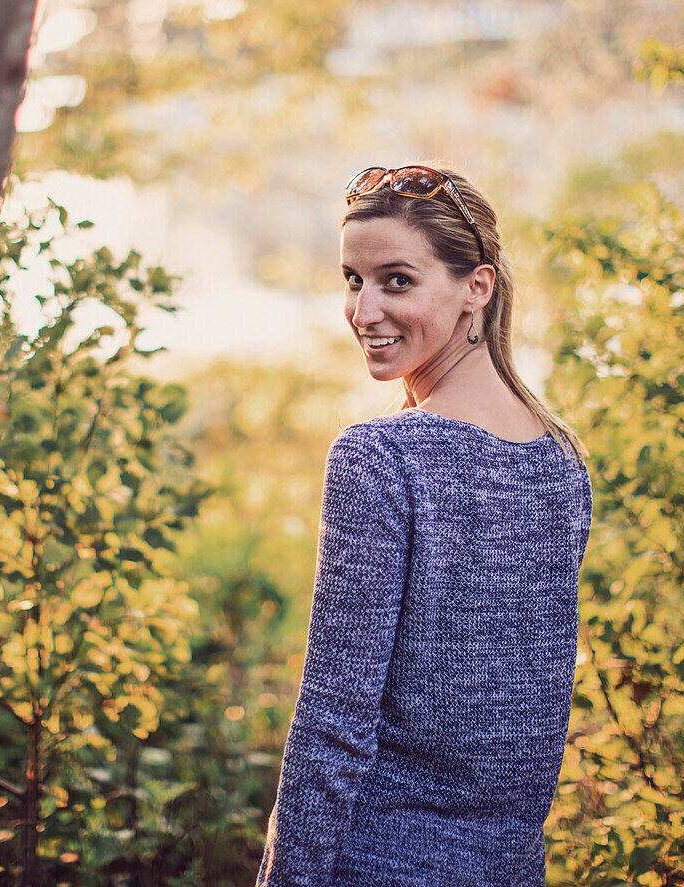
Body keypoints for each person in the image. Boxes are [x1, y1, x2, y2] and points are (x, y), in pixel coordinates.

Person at [254, 166, 593, 887]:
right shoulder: (561, 462)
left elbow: (333, 723)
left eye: (397, 280)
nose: (364, 309)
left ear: (478, 285)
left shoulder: (379, 459)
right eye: (353, 279)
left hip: (373, 864)